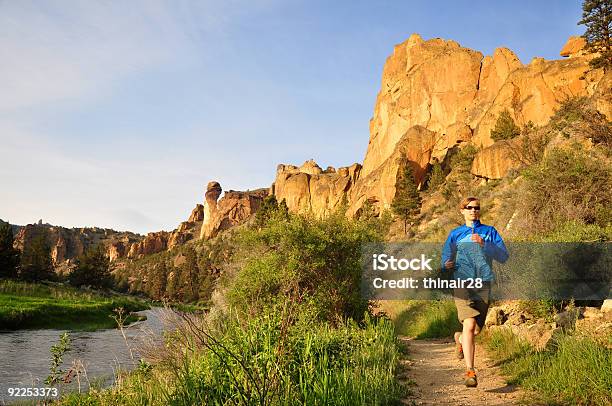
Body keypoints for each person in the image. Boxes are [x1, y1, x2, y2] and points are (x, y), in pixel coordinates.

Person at [441, 196, 509, 388]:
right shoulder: (455, 234)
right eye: (469, 208)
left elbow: (504, 256)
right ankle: (470, 371)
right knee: (469, 323)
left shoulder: (489, 232)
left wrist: (484, 244)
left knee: (475, 330)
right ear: (462, 210)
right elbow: (445, 258)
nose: (473, 210)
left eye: (476, 208)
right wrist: (447, 265)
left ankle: (460, 339)